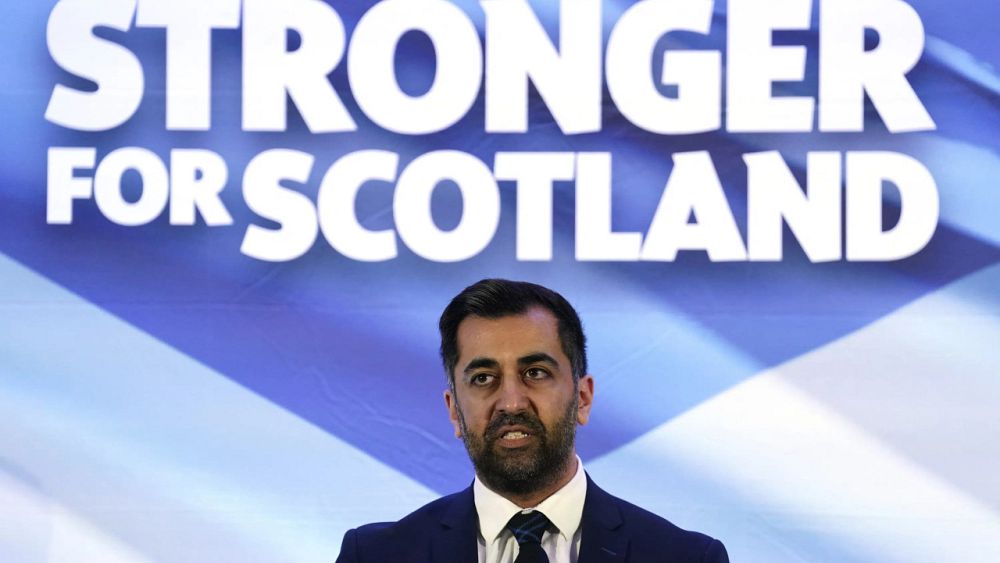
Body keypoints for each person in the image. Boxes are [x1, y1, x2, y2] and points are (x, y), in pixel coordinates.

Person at [336, 279, 729, 563]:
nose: (511, 402)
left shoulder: (686, 557)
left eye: (536, 373)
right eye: (483, 378)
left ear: (583, 398)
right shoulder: (374, 555)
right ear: (454, 410)